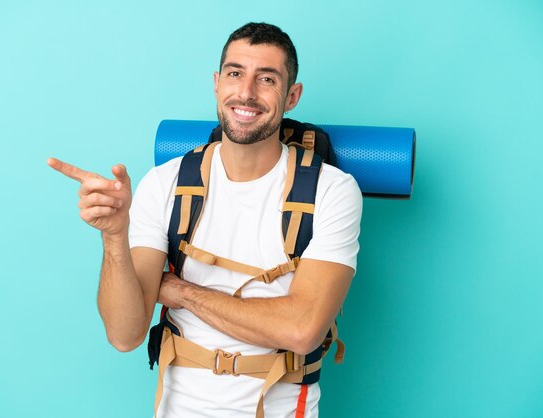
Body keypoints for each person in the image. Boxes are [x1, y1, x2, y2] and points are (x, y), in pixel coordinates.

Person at [48, 22, 362, 418]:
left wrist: (182, 293)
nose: (246, 92)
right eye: (235, 74)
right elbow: (124, 335)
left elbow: (302, 330)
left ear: (292, 96)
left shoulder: (331, 190)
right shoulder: (165, 183)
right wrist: (114, 235)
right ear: (217, 83)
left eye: (266, 79)